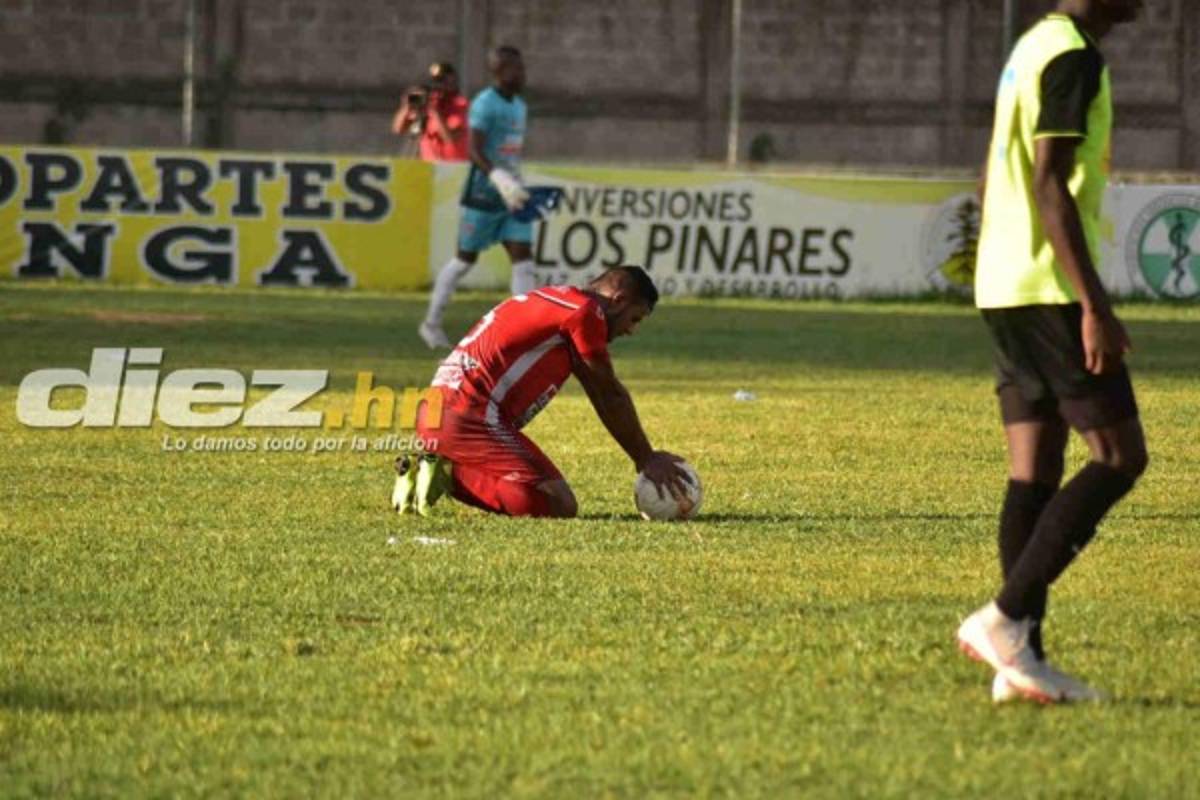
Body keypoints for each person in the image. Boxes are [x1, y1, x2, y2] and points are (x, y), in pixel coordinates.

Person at [956, 0, 1147, 704]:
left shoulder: (1031, 45)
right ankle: (1006, 619)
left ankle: (1021, 661)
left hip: (1005, 283)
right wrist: (1093, 303)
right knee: (1120, 455)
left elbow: (993, 176)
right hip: (1048, 289)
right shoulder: (1072, 56)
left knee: (1034, 472)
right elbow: (1047, 182)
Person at [393, 266, 692, 518]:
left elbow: (600, 393)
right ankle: (446, 472)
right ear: (619, 299)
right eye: (634, 318)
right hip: (468, 414)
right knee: (558, 503)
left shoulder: (559, 300)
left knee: (548, 497)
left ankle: (440, 462)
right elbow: (609, 393)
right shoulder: (585, 313)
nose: (631, 330)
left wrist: (642, 455)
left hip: (443, 409)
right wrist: (646, 458)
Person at [418, 45, 536, 350]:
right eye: (515, 69)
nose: (521, 74)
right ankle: (430, 324)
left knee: (523, 259)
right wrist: (498, 178)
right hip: (484, 194)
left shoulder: (520, 106)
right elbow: (474, 150)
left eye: (522, 68)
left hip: (511, 196)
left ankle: (523, 332)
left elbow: (511, 151)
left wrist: (515, 183)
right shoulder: (485, 103)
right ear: (498, 71)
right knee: (464, 260)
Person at [391, 62, 469, 163]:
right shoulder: (427, 102)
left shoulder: (460, 105)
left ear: (452, 81)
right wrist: (407, 107)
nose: (439, 86)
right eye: (436, 81)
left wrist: (435, 111)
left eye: (443, 81)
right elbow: (398, 129)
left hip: (453, 168)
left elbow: (450, 138)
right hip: (430, 168)